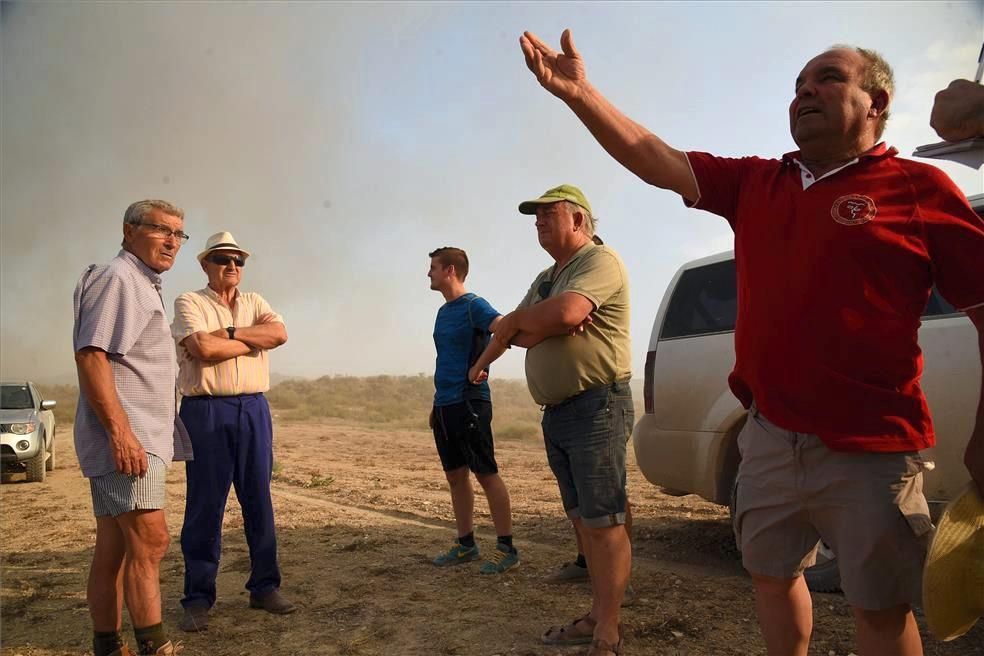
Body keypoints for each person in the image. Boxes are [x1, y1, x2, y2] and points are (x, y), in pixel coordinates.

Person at [519, 30, 984, 656]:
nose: (805, 93)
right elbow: (655, 157)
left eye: (827, 79)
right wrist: (580, 94)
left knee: (880, 604)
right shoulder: (759, 184)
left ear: (876, 102)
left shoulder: (919, 189)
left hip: (871, 445)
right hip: (766, 437)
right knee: (772, 576)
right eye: (797, 86)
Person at [469, 185, 633, 656]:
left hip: (596, 403)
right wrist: (483, 361)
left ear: (578, 220)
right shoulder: (548, 275)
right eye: (534, 217)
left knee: (604, 521)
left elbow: (565, 313)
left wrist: (536, 320)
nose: (538, 223)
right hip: (559, 411)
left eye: (547, 214)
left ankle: (608, 629)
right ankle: (597, 614)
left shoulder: (600, 262)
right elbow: (511, 331)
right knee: (583, 520)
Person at [73, 199, 192, 656]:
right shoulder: (120, 278)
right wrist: (121, 433)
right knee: (151, 539)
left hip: (132, 436)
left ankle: (108, 645)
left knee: (115, 549)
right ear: (129, 230)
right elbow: (92, 354)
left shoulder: (141, 283)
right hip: (129, 439)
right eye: (162, 230)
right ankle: (154, 646)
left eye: (179, 234)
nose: (172, 242)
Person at [171, 231, 293, 632]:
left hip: (253, 407)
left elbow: (279, 335)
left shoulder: (256, 302)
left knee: (258, 499)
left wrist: (228, 335)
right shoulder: (190, 302)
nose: (232, 266)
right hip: (206, 410)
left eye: (239, 260)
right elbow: (202, 350)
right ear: (206, 264)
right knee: (206, 505)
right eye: (223, 259)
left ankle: (265, 587)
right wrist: (248, 340)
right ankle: (198, 598)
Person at [426, 247, 520, 574]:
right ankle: (466, 544)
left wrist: (481, 365)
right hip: (446, 404)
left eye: (433, 268)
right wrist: (436, 407)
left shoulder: (473, 306)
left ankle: (506, 548)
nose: (429, 274)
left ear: (450, 270)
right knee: (455, 476)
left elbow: (505, 328)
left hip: (470, 402)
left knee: (485, 472)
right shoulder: (443, 311)